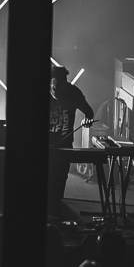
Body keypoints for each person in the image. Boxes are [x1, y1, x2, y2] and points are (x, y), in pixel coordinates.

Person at [48, 64, 94, 214]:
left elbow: (89, 112)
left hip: (65, 142)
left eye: (61, 89)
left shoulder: (73, 93)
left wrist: (87, 120)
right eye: (54, 89)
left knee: (61, 177)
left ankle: (56, 205)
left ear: (66, 84)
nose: (57, 93)